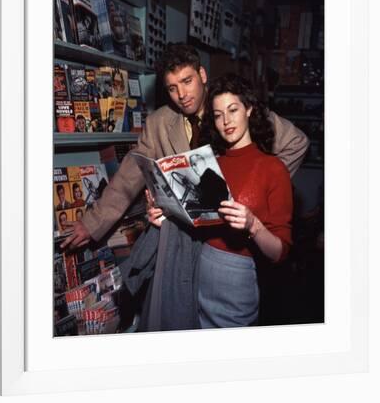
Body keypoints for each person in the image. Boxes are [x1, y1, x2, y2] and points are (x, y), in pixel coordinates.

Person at [60, 43, 308, 331]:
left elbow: (296, 143)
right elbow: (128, 175)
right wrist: (91, 223)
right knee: (178, 322)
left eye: (187, 81)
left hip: (232, 246)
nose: (182, 94)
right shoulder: (159, 123)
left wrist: (254, 191)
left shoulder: (229, 106)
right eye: (172, 88)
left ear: (202, 74)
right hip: (181, 240)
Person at [148, 73, 293, 328]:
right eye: (217, 115)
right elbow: (195, 224)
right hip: (196, 272)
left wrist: (254, 225)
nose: (226, 121)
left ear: (248, 109)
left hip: (238, 281)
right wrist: (165, 217)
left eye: (233, 110)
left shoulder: (273, 168)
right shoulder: (208, 165)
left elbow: (280, 252)